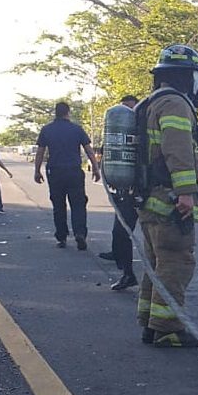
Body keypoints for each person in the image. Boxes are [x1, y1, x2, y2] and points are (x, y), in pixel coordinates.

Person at [137, 44, 198, 348]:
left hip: (150, 201)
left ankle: (150, 322)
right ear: (186, 76)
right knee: (176, 263)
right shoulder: (175, 105)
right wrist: (186, 192)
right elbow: (178, 150)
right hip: (170, 202)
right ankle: (168, 328)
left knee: (157, 264)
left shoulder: (151, 103)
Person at [34, 102, 101, 250]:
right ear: (68, 112)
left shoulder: (47, 130)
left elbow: (40, 152)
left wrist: (37, 170)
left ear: (55, 113)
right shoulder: (76, 129)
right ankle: (80, 233)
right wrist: (96, 169)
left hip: (55, 172)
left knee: (58, 205)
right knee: (78, 203)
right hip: (74, 171)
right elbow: (89, 150)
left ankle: (62, 237)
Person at [98, 95, 140, 291]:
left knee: (152, 239)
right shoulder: (119, 128)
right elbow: (106, 151)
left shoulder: (144, 124)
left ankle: (152, 279)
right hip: (125, 190)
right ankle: (127, 273)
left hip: (145, 189)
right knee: (120, 233)